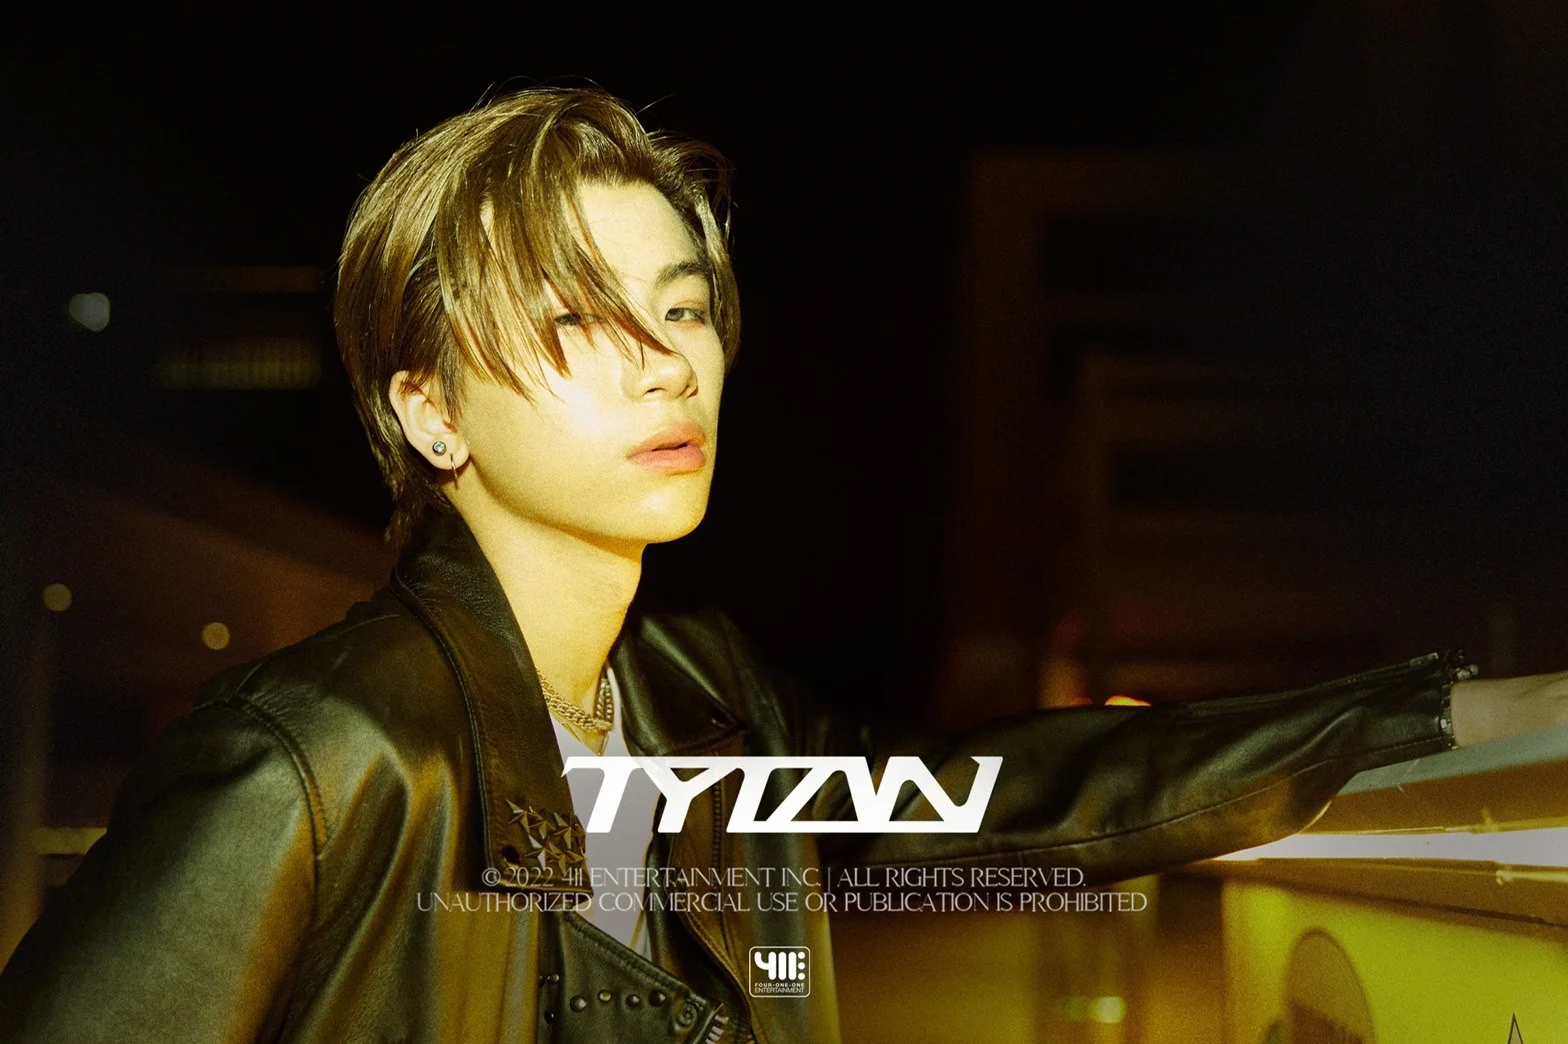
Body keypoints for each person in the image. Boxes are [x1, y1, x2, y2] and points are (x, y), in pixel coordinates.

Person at [0, 86, 1563, 1044]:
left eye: (682, 308)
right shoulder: (315, 760)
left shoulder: (703, 700)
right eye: (575, 320)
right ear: (429, 409)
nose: (664, 361)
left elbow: (1005, 805)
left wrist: (1437, 718)